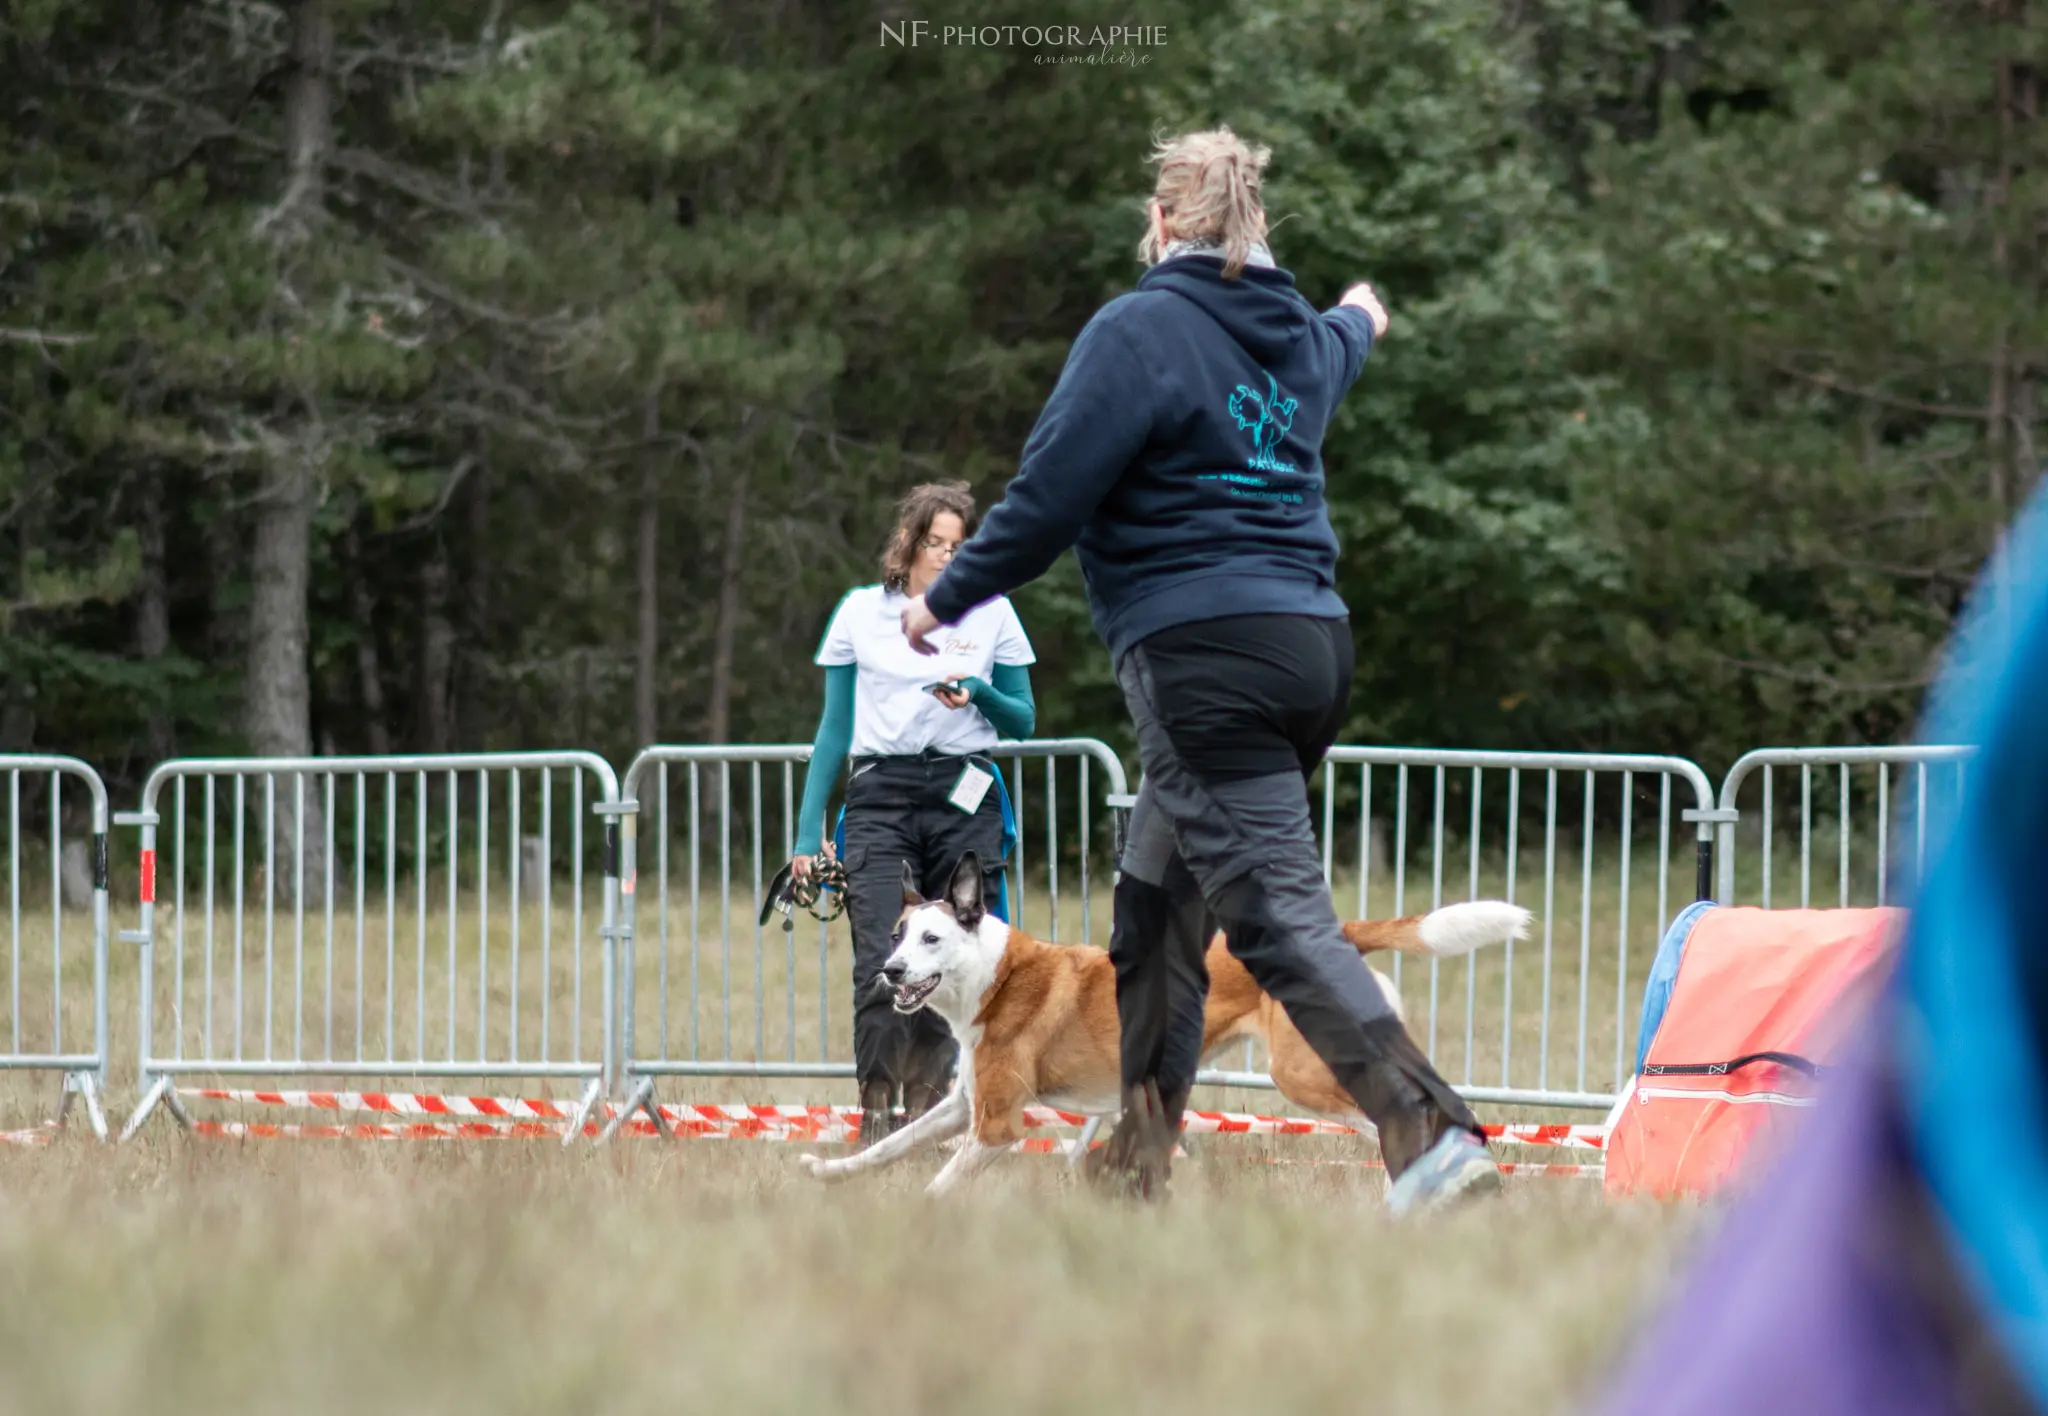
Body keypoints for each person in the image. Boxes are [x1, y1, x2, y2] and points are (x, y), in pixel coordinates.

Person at [899, 127, 1501, 1210]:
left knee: (1271, 917)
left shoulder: (1137, 331)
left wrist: (941, 597)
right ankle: (1135, 1154)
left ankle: (1432, 1137)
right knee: (1152, 916)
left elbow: (1042, 504)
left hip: (1200, 656)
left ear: (1164, 222)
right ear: (1255, 225)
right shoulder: (1300, 338)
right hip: (1309, 647)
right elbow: (1344, 337)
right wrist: (1364, 306)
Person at [789, 480, 1038, 1149]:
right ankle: (873, 1122)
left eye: (959, 547)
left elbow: (1022, 720)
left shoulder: (993, 613)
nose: (947, 559)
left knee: (949, 965)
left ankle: (930, 1125)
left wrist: (980, 693)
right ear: (911, 542)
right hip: (881, 797)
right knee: (884, 960)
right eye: (936, 544)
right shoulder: (860, 613)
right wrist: (805, 832)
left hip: (964, 793)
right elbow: (834, 729)